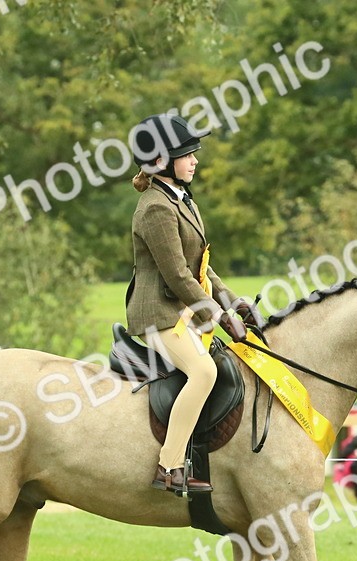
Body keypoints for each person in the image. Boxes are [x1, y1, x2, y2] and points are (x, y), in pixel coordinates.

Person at [126, 113, 253, 494]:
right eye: (188, 154)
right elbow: (177, 275)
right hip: (157, 316)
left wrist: (235, 304)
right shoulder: (155, 208)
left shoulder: (183, 201)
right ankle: (169, 467)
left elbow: (202, 269)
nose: (195, 160)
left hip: (182, 313)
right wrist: (217, 314)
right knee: (203, 373)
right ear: (163, 162)